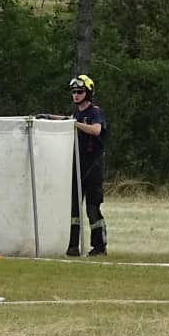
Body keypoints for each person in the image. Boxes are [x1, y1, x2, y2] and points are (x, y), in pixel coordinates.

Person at [62, 73, 107, 256]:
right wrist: (50, 117)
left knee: (92, 207)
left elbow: (96, 130)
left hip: (93, 165)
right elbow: (68, 120)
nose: (76, 95)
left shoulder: (94, 112)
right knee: (74, 208)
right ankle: (73, 246)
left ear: (88, 93)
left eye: (80, 91)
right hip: (77, 165)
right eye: (73, 92)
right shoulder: (76, 113)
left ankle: (99, 246)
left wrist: (76, 124)